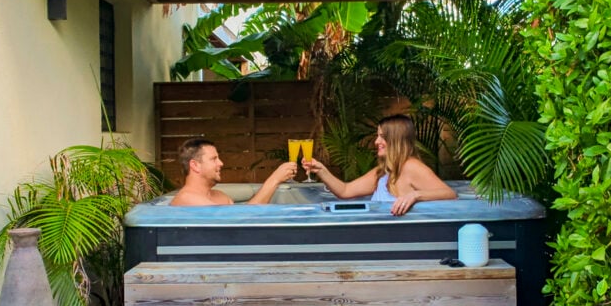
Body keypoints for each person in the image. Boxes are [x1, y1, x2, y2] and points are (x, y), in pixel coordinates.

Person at [301, 114, 457, 216]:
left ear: (395, 139)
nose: (376, 142)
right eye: (377, 136)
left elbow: (449, 194)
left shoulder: (411, 167)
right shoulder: (383, 172)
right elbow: (345, 190)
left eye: (382, 137)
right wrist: (321, 170)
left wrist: (415, 195)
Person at [169, 137, 298, 206]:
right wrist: (274, 179)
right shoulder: (187, 200)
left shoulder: (220, 196)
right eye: (214, 159)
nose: (221, 163)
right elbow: (243, 220)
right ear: (195, 165)